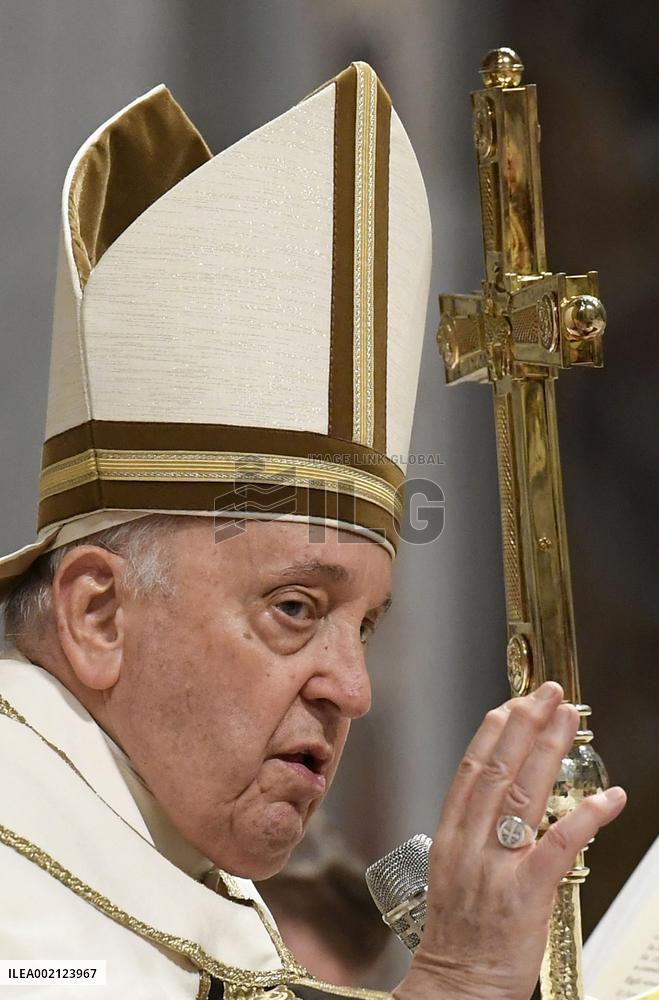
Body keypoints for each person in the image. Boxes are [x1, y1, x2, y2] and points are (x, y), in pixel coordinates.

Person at [0, 64, 625, 1000]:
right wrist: (451, 983)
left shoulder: (178, 880)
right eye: (296, 608)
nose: (355, 690)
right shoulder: (28, 912)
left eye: (363, 626)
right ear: (97, 615)